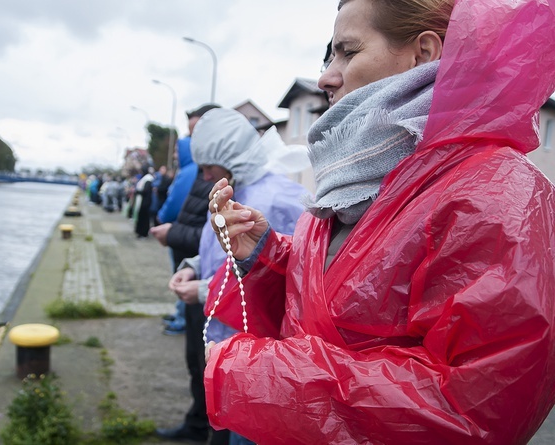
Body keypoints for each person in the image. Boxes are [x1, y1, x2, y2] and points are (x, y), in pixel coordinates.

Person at [203, 0, 555, 444]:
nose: (326, 77)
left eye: (347, 52)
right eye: (329, 57)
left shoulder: (495, 192)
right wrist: (268, 257)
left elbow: (477, 408)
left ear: (424, 52)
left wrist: (254, 375)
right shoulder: (348, 184)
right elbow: (333, 309)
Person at [156, 108, 309, 444]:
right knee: (220, 419)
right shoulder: (232, 191)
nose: (205, 175)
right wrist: (193, 266)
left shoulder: (278, 200)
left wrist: (202, 290)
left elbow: (282, 279)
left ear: (230, 156)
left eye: (209, 165)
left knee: (242, 430)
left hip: (255, 345)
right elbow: (217, 247)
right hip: (223, 333)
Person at [152, 104, 221, 335]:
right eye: (191, 134)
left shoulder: (199, 172)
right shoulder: (200, 172)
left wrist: (169, 228)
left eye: (198, 133)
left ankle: (181, 318)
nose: (193, 140)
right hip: (190, 247)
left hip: (188, 245)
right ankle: (182, 316)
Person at [133, 165, 154, 238]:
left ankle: (143, 233)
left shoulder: (148, 179)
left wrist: (137, 191)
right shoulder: (145, 178)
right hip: (143, 201)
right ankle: (140, 232)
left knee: (144, 218)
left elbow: (146, 191)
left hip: (145, 202)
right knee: (142, 217)